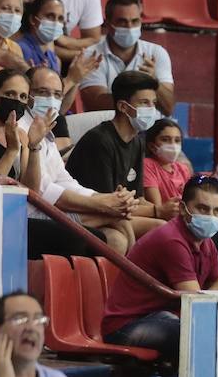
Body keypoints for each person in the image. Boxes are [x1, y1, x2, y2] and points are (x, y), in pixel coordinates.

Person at [101, 175, 218, 363]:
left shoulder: (206, 243)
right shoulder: (172, 240)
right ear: (183, 209)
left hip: (163, 318)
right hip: (126, 326)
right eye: (202, 208)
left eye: (217, 211)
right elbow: (200, 307)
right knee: (200, 334)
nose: (211, 217)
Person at [20, 66, 139, 255]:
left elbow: (65, 181)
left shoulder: (47, 131)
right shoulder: (21, 129)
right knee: (118, 218)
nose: (51, 99)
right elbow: (44, 191)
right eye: (43, 92)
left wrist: (105, 199)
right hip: (33, 215)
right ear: (27, 94)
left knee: (116, 236)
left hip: (52, 210)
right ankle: (130, 282)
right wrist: (103, 204)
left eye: (57, 94)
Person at [64, 71, 168, 234]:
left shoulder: (137, 141)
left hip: (117, 213)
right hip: (87, 217)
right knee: (160, 228)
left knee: (174, 225)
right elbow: (107, 205)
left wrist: (169, 211)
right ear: (123, 107)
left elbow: (138, 199)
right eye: (144, 103)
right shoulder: (99, 141)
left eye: (153, 103)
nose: (151, 109)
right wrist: (158, 212)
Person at [79, 0, 175, 114]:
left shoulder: (157, 53)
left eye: (135, 21)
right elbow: (96, 104)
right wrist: (139, 86)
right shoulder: (91, 55)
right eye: (122, 22)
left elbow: (168, 108)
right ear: (108, 24)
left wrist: (154, 82)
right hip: (106, 129)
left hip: (151, 129)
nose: (130, 27)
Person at [142, 118, 192, 220]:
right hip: (163, 221)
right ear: (152, 146)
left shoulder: (183, 169)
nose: (173, 145)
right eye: (165, 139)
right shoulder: (147, 165)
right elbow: (157, 205)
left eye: (177, 140)